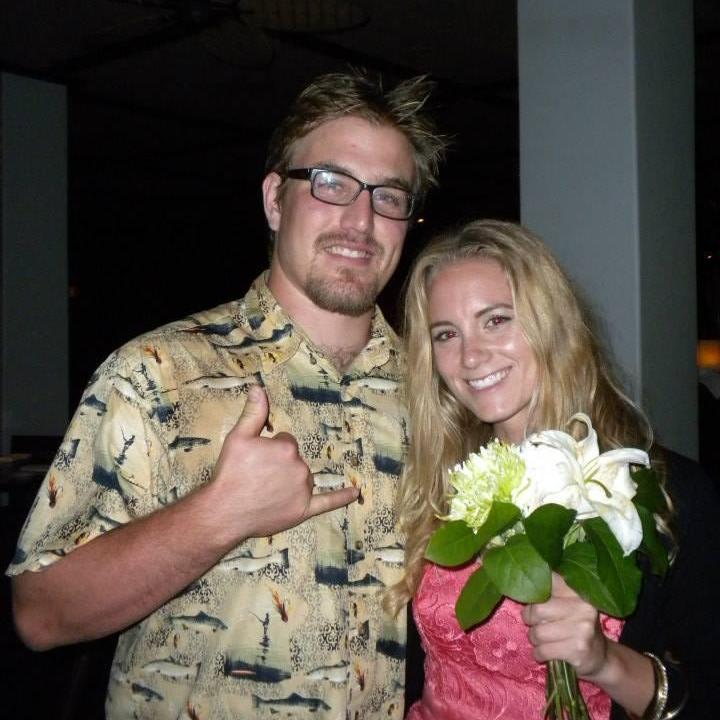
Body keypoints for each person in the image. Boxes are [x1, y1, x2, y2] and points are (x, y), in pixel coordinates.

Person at [7, 69, 447, 719]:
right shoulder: (156, 372)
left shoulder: (433, 393)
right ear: (275, 200)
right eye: (330, 183)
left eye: (388, 196)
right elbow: (40, 611)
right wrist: (218, 516)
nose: (361, 220)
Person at [388, 219, 720, 718]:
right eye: (446, 334)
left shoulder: (669, 493)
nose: (471, 355)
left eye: (496, 319)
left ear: (552, 322)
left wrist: (606, 661)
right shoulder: (435, 480)